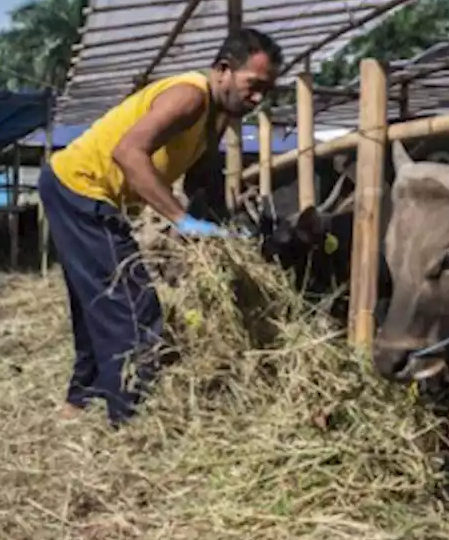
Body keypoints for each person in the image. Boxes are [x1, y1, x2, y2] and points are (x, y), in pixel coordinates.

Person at [38, 28, 281, 425]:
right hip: (79, 187)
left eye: (266, 91)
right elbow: (128, 153)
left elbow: (205, 181)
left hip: (79, 189)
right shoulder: (190, 96)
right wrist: (181, 220)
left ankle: (79, 401)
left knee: (97, 300)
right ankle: (132, 420)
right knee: (135, 307)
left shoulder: (212, 120)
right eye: (253, 85)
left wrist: (229, 236)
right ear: (223, 69)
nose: (257, 99)